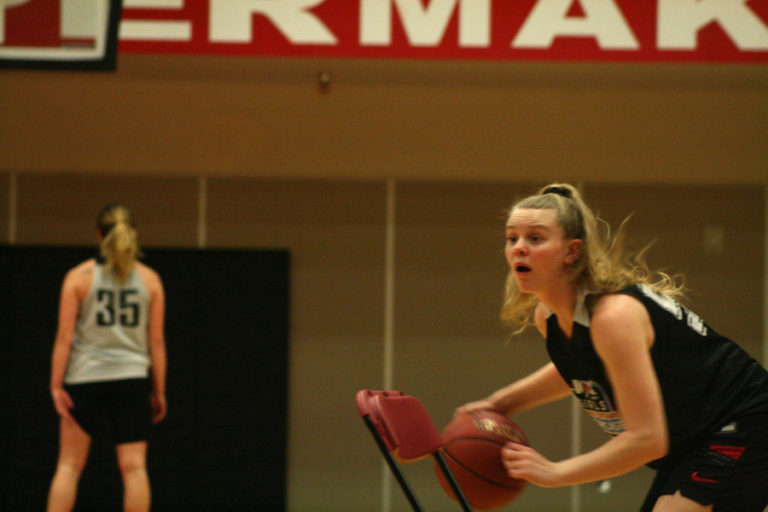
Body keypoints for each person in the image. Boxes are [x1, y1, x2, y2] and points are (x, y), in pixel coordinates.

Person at [456, 183, 768, 512]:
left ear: (571, 251)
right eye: (512, 238)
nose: (519, 248)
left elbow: (647, 438)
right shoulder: (548, 316)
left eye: (535, 238)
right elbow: (578, 369)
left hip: (745, 422)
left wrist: (555, 472)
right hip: (690, 442)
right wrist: (499, 403)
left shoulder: (613, 317)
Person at [47, 203, 167, 512]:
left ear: (98, 234)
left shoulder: (78, 277)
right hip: (131, 379)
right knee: (135, 468)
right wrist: (159, 390)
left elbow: (64, 337)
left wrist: (56, 386)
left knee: (69, 466)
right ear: (134, 233)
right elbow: (156, 341)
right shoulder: (150, 279)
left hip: (85, 377)